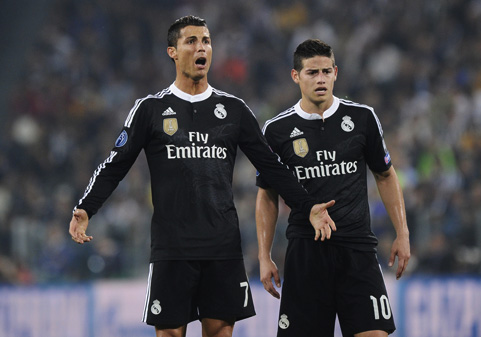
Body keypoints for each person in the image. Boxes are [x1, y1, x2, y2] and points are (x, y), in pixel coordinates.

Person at [69, 16, 335, 337]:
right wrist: (86, 208)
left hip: (221, 246)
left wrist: (307, 206)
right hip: (172, 247)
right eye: (191, 41)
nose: (201, 48)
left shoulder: (233, 109)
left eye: (206, 41)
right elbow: (116, 163)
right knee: (168, 333)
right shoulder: (150, 109)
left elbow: (272, 166)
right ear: (172, 51)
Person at [255, 39, 411, 337]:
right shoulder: (276, 130)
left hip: (357, 250)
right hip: (306, 253)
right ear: (295, 76)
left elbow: (386, 175)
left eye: (326, 71)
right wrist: (264, 255)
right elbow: (267, 194)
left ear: (336, 72)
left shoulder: (362, 117)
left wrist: (402, 233)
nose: (321, 79)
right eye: (312, 72)